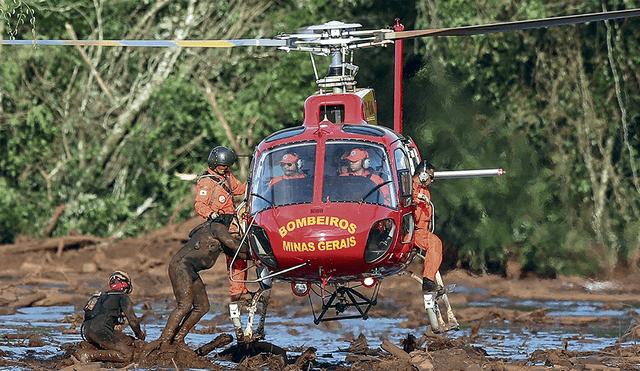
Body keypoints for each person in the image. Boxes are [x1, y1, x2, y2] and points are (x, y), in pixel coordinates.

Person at [156, 222, 249, 349]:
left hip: (191, 270)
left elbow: (240, 253)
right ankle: (164, 340)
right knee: (184, 305)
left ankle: (178, 338)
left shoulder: (219, 240)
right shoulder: (216, 227)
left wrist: (263, 257)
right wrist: (258, 248)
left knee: (203, 307)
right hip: (181, 267)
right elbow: (234, 244)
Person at [194, 145, 251, 302]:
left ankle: (241, 289)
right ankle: (237, 290)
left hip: (231, 219)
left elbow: (238, 188)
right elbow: (200, 205)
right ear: (213, 164)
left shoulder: (227, 176)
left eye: (227, 166)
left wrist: (257, 186)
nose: (224, 169)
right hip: (219, 223)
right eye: (221, 166)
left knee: (242, 252)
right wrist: (211, 214)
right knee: (236, 251)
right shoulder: (207, 182)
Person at [76, 271, 145, 363]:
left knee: (122, 339)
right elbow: (133, 321)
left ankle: (89, 346)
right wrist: (139, 334)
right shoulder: (122, 296)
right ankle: (89, 355)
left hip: (86, 331)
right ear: (126, 285)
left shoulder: (100, 296)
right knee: (127, 355)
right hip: (100, 330)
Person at [412, 160, 443, 294]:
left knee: (434, 242)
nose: (432, 181)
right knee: (434, 242)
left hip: (419, 234)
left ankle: (429, 280)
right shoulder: (406, 187)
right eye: (431, 177)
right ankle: (428, 280)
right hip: (407, 233)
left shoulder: (425, 192)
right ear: (423, 175)